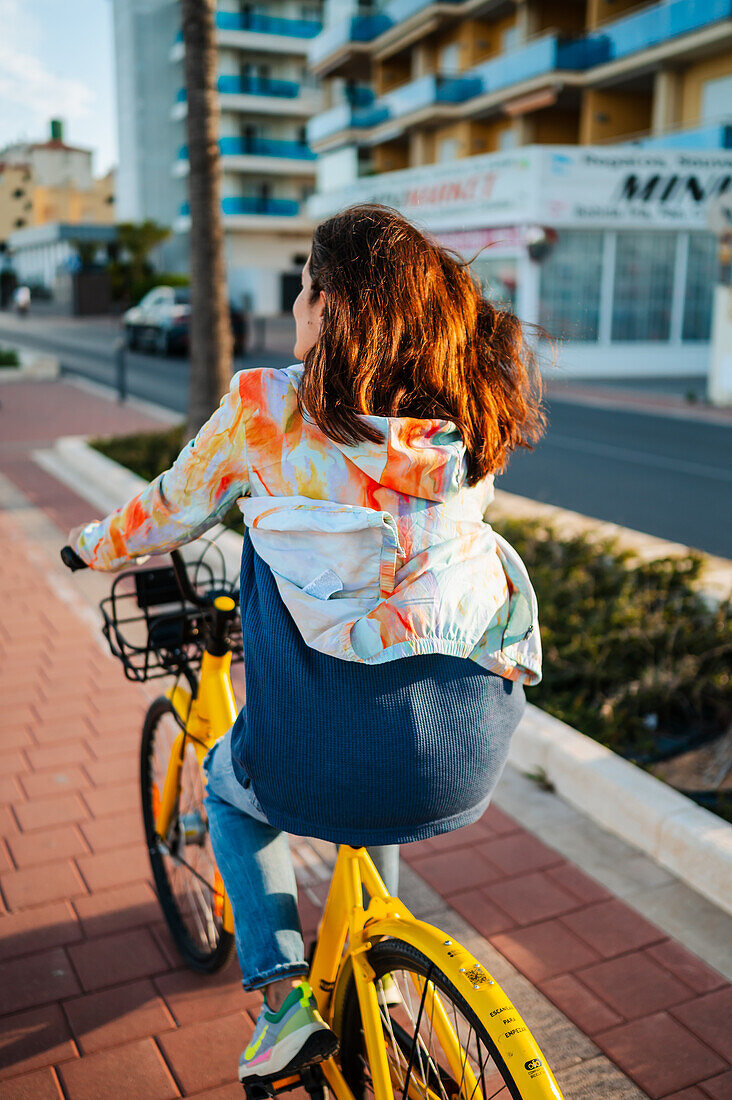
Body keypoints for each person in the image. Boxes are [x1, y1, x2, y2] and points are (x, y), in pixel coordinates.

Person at [68, 204, 546, 1084]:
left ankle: (283, 1004)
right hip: (465, 741)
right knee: (378, 756)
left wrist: (89, 545)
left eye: (304, 288)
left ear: (334, 307)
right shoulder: (462, 419)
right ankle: (389, 989)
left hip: (326, 743)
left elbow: (168, 508)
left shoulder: (268, 411)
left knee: (228, 787)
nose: (295, 305)